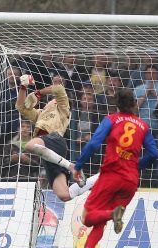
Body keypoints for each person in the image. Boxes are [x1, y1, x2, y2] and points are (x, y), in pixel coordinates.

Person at [72, 89, 158, 248]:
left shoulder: (111, 119)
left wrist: (78, 165)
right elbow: (154, 154)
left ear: (116, 105)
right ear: (135, 104)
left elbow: (94, 143)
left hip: (111, 176)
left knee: (88, 217)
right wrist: (137, 166)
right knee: (100, 221)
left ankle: (112, 215)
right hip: (130, 180)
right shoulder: (143, 125)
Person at [16, 74, 98, 202]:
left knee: (29, 146)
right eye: (51, 99)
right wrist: (23, 87)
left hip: (54, 139)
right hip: (51, 153)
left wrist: (38, 93)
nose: (52, 100)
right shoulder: (40, 114)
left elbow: (59, 89)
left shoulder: (63, 109)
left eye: (55, 100)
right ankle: (101, 175)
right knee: (64, 195)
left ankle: (71, 167)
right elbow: (20, 107)